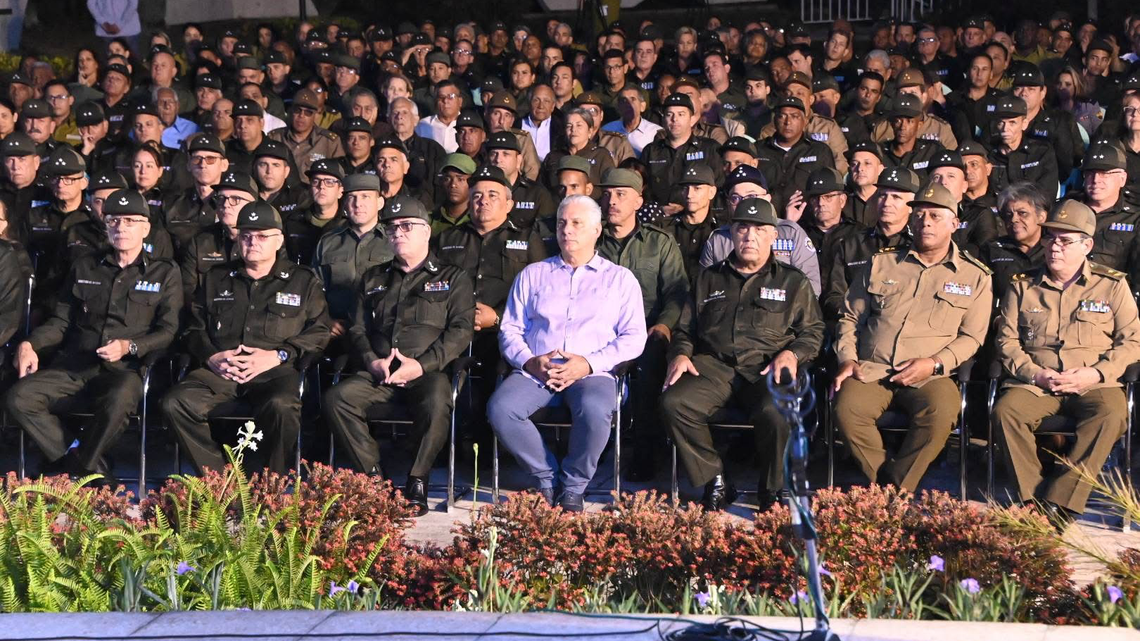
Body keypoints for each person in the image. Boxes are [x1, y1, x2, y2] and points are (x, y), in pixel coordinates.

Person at [6, 189, 180, 481]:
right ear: (105, 225)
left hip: (125, 369)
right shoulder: (85, 265)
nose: (121, 227)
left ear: (146, 228)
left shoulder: (164, 273)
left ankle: (79, 470)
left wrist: (130, 346)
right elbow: (61, 320)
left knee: (120, 398)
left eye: (130, 221)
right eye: (113, 220)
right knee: (19, 397)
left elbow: (168, 331)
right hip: (75, 364)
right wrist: (29, 343)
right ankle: (83, 462)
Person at [661, 197, 824, 510]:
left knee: (777, 411)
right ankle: (715, 479)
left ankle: (772, 489)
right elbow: (684, 329)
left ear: (774, 235)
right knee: (674, 403)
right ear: (731, 233)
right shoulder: (708, 278)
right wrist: (680, 354)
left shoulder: (793, 281)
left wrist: (793, 354)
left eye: (760, 230)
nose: (750, 236)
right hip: (714, 367)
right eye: (742, 228)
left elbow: (813, 332)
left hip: (768, 367)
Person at [487, 195, 647, 511]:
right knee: (501, 409)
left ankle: (574, 486)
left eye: (576, 223)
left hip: (593, 372)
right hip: (538, 369)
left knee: (595, 408)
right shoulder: (533, 274)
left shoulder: (619, 279)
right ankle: (546, 480)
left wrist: (588, 364)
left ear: (597, 230)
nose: (567, 230)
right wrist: (530, 361)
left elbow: (634, 338)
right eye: (562, 223)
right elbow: (509, 330)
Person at [833, 183, 993, 490]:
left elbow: (972, 337)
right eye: (919, 215)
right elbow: (850, 316)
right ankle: (889, 490)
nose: (925, 222)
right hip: (872, 368)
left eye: (935, 216)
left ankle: (895, 486)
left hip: (930, 376)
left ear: (954, 224)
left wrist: (934, 363)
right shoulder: (882, 262)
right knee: (846, 409)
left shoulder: (975, 276)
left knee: (941, 413)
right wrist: (847, 359)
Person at [323, 194, 475, 515]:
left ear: (426, 232)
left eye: (407, 226)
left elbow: (460, 331)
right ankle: (375, 482)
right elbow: (357, 330)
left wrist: (422, 366)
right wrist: (371, 361)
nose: (398, 234)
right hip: (379, 372)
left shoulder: (452, 277)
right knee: (338, 398)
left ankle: (416, 480)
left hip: (427, 371)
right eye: (392, 229)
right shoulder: (373, 278)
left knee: (438, 400)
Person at [993, 199, 1140, 530]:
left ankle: (1060, 503)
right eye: (1050, 238)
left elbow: (1132, 341)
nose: (1053, 246)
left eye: (1064, 239)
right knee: (1006, 412)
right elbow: (1006, 342)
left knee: (1112, 414)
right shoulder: (1022, 285)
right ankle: (1030, 501)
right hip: (1036, 382)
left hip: (1093, 381)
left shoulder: (1113, 285)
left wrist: (1097, 372)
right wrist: (1036, 374)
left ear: (1087, 245)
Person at [162, 201, 331, 475]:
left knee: (282, 407)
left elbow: (319, 331)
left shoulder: (302, 281)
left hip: (274, 370)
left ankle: (267, 483)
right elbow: (192, 328)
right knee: (175, 403)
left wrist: (279, 355)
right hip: (221, 369)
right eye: (245, 235)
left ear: (278, 241)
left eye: (262, 236)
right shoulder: (216, 277)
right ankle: (218, 480)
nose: (253, 242)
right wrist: (211, 356)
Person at [595, 168, 689, 481]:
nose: (612, 201)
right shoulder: (590, 241)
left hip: (648, 332)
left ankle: (646, 453)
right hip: (599, 333)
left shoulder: (660, 243)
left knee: (648, 369)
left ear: (638, 201)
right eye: (607, 194)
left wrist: (664, 326)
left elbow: (677, 293)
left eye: (621, 194)